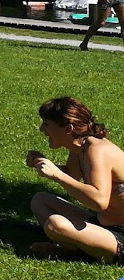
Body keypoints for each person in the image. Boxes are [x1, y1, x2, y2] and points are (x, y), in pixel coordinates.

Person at [28, 96, 124, 261]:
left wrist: (56, 174)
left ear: (68, 129)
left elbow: (99, 201)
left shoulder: (98, 150)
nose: (42, 129)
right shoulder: (80, 147)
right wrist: (43, 163)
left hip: (120, 236)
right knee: (40, 200)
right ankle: (74, 248)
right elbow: (71, 176)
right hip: (102, 223)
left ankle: (71, 250)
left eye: (47, 124)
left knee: (55, 224)